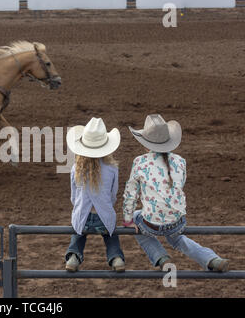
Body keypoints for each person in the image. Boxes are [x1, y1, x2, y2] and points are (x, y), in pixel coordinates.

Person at [123, 114, 229, 272]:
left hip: (151, 223)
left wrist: (127, 220)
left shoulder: (140, 162)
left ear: (145, 144)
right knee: (178, 238)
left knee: (136, 220)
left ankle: (161, 257)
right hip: (177, 221)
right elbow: (178, 186)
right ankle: (211, 259)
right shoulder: (180, 161)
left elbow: (130, 193)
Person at [64, 117, 126, 272]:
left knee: (78, 232)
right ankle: (116, 258)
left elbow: (73, 197)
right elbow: (113, 195)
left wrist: (79, 209)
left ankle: (74, 256)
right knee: (111, 235)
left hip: (83, 219)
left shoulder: (75, 168)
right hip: (103, 219)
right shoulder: (112, 168)